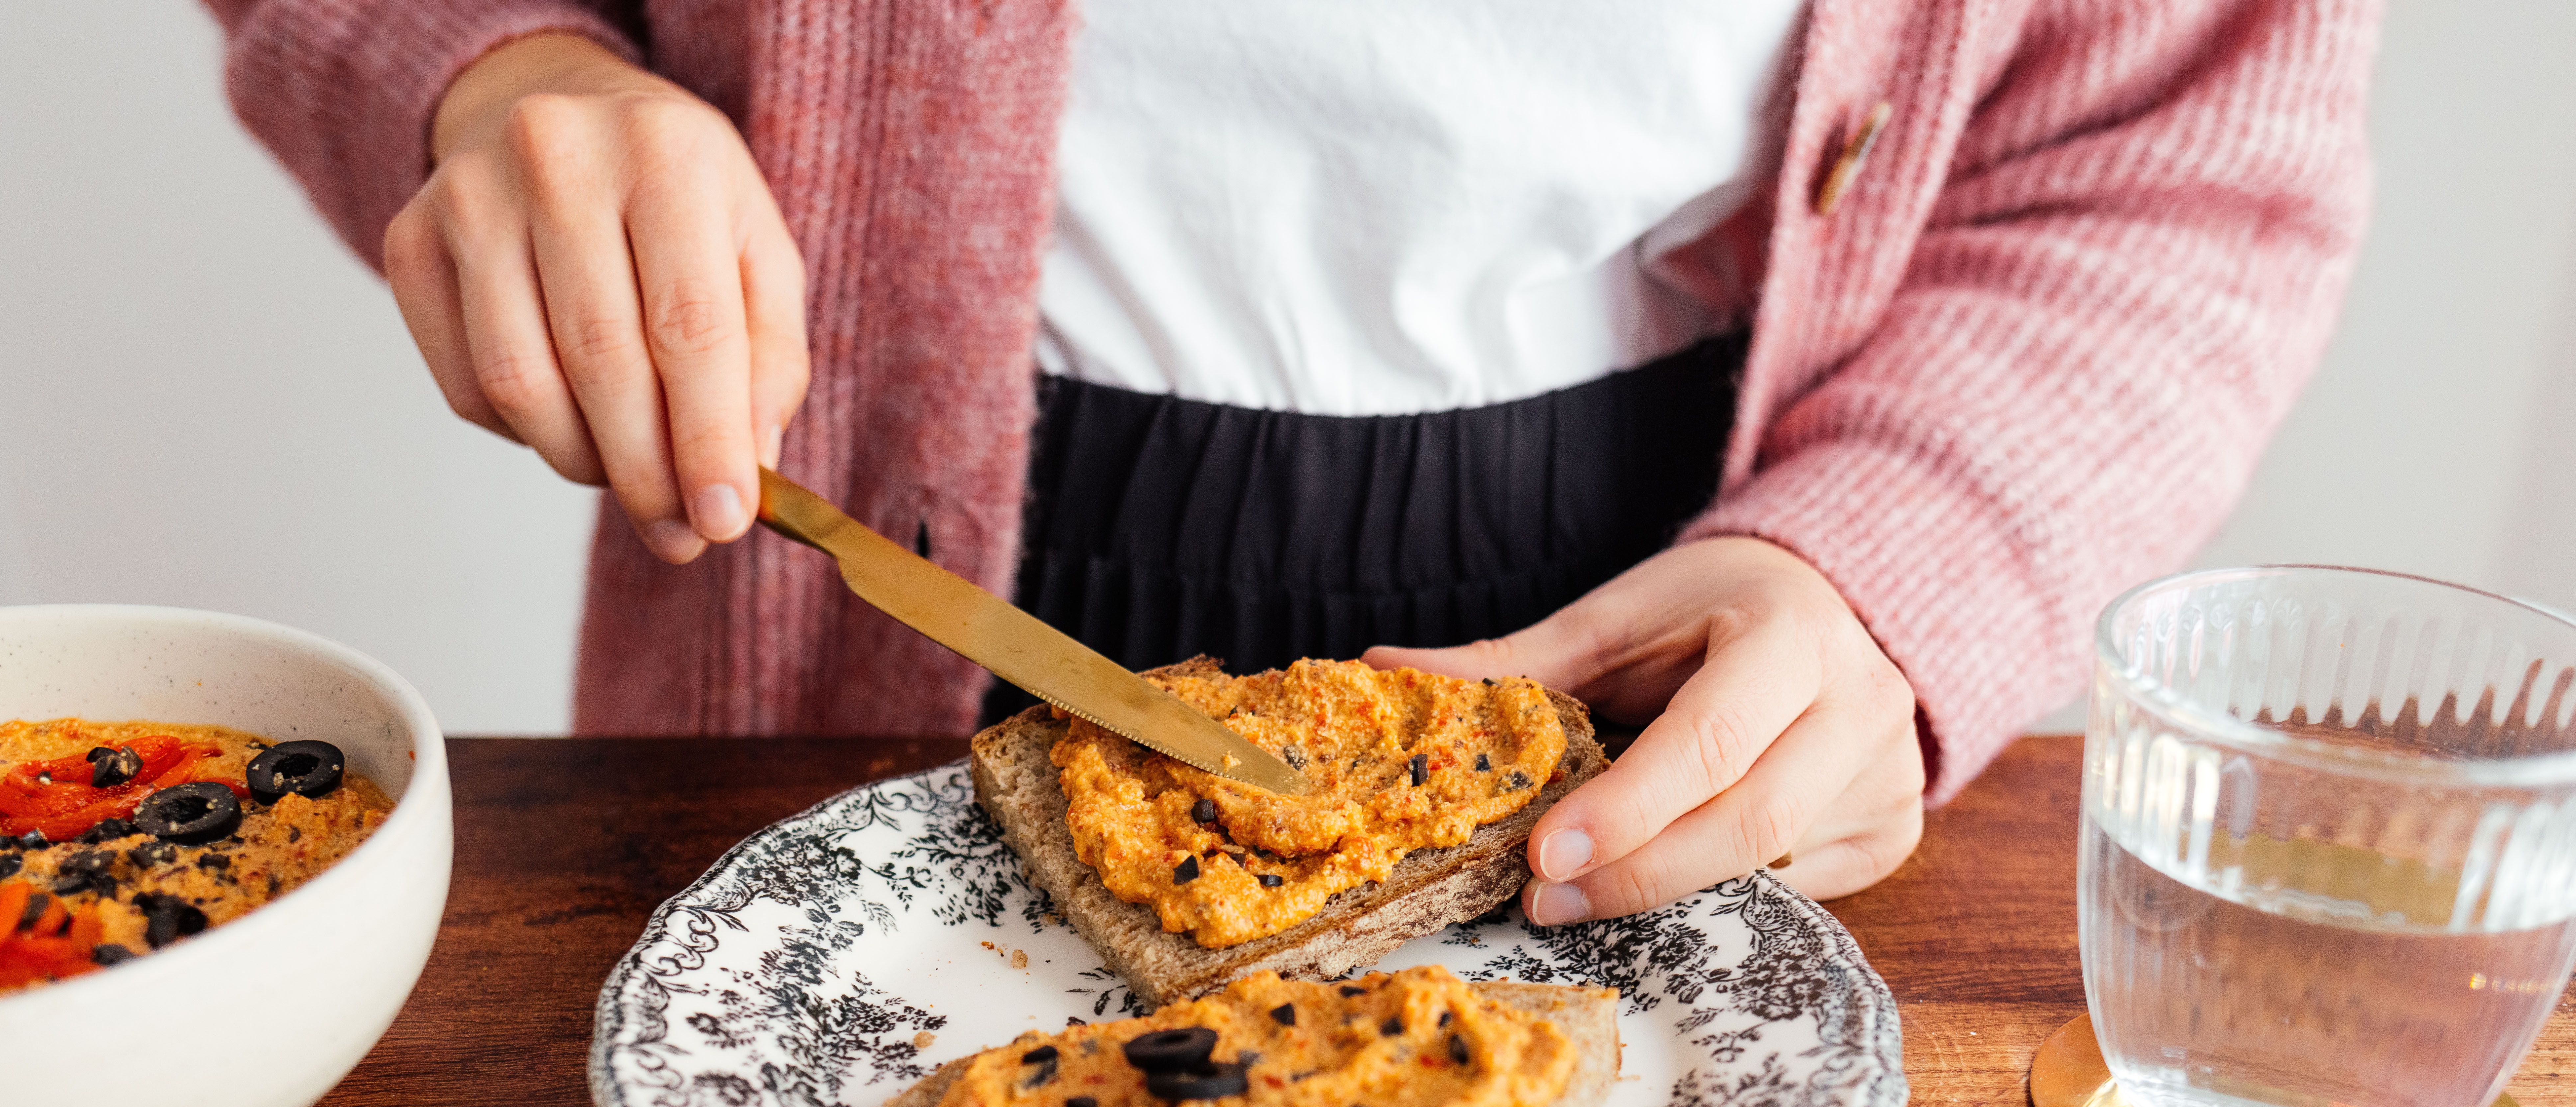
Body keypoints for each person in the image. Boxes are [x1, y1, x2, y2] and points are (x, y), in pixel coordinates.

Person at [206, 0, 2377, 922]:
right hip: (826, 622)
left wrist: (1904, 562)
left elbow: (2182, 138)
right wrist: (499, 76)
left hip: (1682, 658)